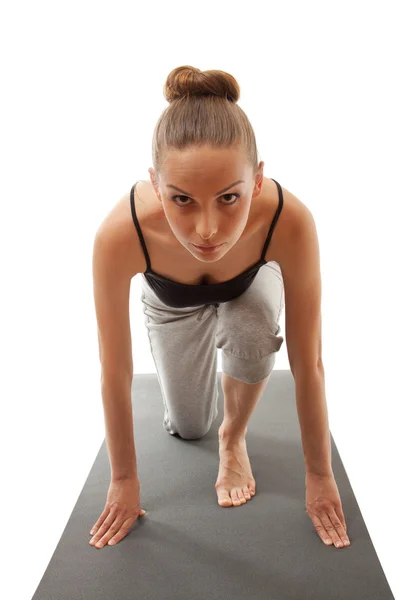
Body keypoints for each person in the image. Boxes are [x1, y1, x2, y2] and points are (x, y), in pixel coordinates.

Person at [89, 65, 350, 551]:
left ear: (256, 182)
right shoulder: (121, 234)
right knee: (188, 428)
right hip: (171, 304)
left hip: (246, 288)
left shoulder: (287, 221)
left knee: (250, 322)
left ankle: (233, 438)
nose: (207, 229)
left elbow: (309, 360)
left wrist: (318, 475)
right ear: (154, 183)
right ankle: (205, 417)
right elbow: (114, 370)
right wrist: (124, 480)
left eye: (229, 197)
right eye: (182, 199)